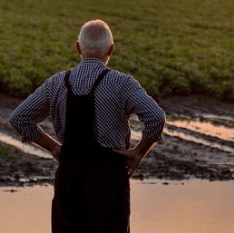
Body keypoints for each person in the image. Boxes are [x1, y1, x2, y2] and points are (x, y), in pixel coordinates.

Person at [9, 19, 165, 233]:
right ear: (111, 49)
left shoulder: (57, 83)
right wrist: (139, 152)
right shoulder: (122, 83)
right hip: (108, 179)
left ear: (78, 47)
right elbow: (156, 117)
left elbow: (20, 118)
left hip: (69, 177)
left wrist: (54, 148)